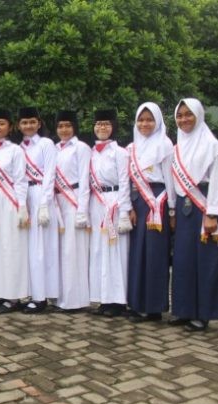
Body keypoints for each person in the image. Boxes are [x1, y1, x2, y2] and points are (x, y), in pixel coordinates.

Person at [169, 98, 218, 331]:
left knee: (206, 261)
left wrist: (212, 213)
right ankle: (184, 309)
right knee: (184, 260)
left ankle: (203, 313)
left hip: (204, 207)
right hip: (185, 210)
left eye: (188, 114)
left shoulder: (211, 145)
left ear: (198, 115)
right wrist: (173, 210)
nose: (184, 119)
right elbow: (175, 181)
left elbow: (217, 180)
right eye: (180, 115)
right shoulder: (177, 146)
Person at [126, 102, 174, 323]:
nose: (145, 124)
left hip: (158, 201)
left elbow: (170, 179)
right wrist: (128, 207)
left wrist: (171, 208)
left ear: (158, 121)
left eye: (149, 119)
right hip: (138, 202)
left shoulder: (165, 145)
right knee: (137, 253)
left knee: (155, 253)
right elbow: (127, 182)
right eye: (141, 119)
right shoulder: (131, 148)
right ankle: (137, 303)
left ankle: (154, 307)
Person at [88, 109, 132, 317]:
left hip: (114, 202)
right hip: (96, 203)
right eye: (98, 124)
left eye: (106, 123)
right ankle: (104, 299)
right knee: (99, 251)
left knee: (117, 252)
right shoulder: (91, 152)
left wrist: (124, 211)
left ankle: (119, 301)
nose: (102, 127)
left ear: (113, 126)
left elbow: (125, 182)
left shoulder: (120, 152)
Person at [0, 108, 30, 314]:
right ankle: (0, 293)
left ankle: (13, 296)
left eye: (1, 123)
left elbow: (21, 180)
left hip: (10, 200)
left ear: (9, 127)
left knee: (11, 248)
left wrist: (22, 206)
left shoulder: (16, 151)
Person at [18, 107, 59, 313]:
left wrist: (44, 204)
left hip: (42, 195)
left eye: (32, 122)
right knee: (29, 250)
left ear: (39, 123)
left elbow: (50, 174)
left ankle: (41, 297)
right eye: (24, 122)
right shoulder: (19, 148)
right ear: (19, 125)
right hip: (25, 197)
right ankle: (33, 293)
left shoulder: (46, 144)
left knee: (41, 249)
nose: (28, 126)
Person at [53, 110, 91, 311]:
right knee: (60, 251)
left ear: (74, 127)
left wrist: (82, 210)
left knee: (73, 251)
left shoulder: (81, 148)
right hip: (57, 202)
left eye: (67, 125)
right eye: (60, 126)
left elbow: (85, 180)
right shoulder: (54, 149)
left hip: (74, 200)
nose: (64, 130)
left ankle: (75, 300)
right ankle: (60, 297)